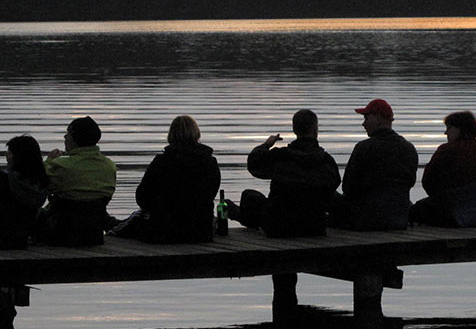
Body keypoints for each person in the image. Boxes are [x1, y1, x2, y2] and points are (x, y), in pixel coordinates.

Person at [232, 108, 340, 237]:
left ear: (294, 130)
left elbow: (254, 164)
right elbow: (334, 185)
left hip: (278, 226)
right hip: (314, 227)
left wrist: (266, 145)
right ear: (316, 130)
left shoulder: (280, 156)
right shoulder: (327, 161)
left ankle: (237, 214)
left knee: (249, 196)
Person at [119, 115, 220, 242]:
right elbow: (210, 193)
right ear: (197, 134)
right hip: (200, 231)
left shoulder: (161, 162)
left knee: (135, 218)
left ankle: (110, 223)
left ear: (171, 135)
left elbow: (142, 197)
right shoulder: (210, 162)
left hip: (164, 230)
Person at [329, 98, 418, 230]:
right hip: (399, 218)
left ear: (379, 118)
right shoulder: (409, 148)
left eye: (366, 118)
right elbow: (410, 182)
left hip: (366, 219)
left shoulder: (363, 147)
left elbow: (348, 187)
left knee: (327, 194)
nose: (363, 124)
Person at [37, 115, 117, 245]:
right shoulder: (109, 166)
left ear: (74, 138)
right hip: (93, 234)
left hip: (60, 232)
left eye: (67, 133)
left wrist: (49, 161)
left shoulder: (60, 166)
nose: (65, 137)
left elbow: (39, 184)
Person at [410, 110, 476, 227]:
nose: (446, 132)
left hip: (453, 213)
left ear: (460, 129)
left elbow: (428, 182)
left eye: (449, 128)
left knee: (415, 209)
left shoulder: (447, 150)